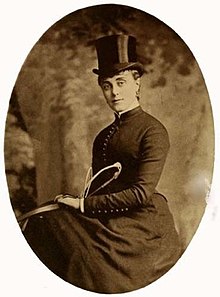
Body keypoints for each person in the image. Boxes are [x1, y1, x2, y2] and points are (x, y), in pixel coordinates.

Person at [23, 34, 181, 294]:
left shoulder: (152, 131)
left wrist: (83, 204)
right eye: (107, 85)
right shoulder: (102, 136)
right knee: (46, 223)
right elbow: (99, 187)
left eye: (121, 82)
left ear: (136, 83)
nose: (114, 92)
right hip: (107, 217)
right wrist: (77, 202)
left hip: (140, 225)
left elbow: (141, 194)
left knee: (82, 256)